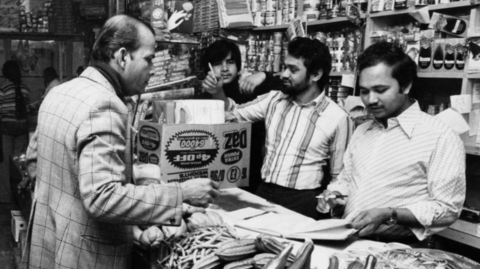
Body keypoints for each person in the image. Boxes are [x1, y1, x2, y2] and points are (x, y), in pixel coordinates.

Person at [25, 14, 219, 269]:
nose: (151, 69)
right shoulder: (105, 105)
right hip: (85, 257)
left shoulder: (59, 92)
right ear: (123, 56)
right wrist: (182, 194)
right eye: (149, 59)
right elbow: (102, 198)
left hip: (48, 246)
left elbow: (34, 163)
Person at [317, 41, 466, 244]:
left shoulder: (440, 136)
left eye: (380, 89)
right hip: (351, 242)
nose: (370, 100)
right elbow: (347, 180)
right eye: (364, 91)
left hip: (401, 249)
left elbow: (448, 209)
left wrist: (389, 214)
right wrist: (335, 195)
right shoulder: (362, 131)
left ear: (405, 85)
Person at [210, 37, 353, 219]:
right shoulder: (274, 99)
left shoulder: (338, 118)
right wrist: (217, 91)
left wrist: (331, 198)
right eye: (285, 67)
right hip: (263, 193)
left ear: (316, 74)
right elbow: (232, 114)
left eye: (293, 70)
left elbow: (340, 176)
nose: (284, 74)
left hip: (303, 202)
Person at [201, 39, 282, 193]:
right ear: (208, 68)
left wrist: (264, 75)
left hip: (252, 174)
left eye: (230, 62)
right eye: (218, 63)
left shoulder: (250, 88)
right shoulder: (202, 97)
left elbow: (287, 91)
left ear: (238, 65)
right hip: (213, 175)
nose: (225, 68)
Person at [0, 60, 30, 203]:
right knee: (19, 164)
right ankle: (19, 195)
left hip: (6, 130)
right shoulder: (25, 88)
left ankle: (6, 197)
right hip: (22, 130)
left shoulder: (3, 87)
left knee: (5, 164)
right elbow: (27, 109)